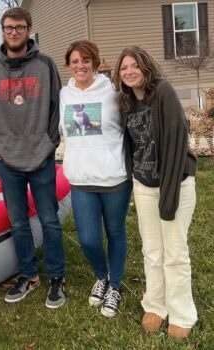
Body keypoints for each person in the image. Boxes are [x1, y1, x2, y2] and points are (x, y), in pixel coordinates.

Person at [0, 7, 65, 309]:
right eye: (8, 27)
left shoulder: (45, 65)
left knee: (49, 220)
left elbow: (57, 106)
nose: (13, 32)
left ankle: (57, 277)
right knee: (18, 222)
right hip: (7, 159)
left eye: (19, 27)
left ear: (29, 29)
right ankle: (29, 274)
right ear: (2, 31)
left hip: (41, 156)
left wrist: (49, 143)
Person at [113, 46, 197, 338]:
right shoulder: (126, 101)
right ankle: (156, 305)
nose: (129, 72)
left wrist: (169, 195)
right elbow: (130, 145)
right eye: (124, 68)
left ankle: (182, 313)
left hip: (175, 182)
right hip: (145, 185)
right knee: (152, 250)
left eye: (134, 66)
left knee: (174, 252)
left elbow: (176, 142)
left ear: (146, 67)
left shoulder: (163, 92)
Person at [59, 40, 133, 317]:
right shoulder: (64, 94)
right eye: (75, 61)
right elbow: (61, 132)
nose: (81, 66)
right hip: (81, 179)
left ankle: (115, 285)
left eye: (86, 60)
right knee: (89, 239)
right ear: (69, 64)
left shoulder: (113, 91)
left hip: (114, 179)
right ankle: (101, 276)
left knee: (115, 233)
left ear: (95, 63)